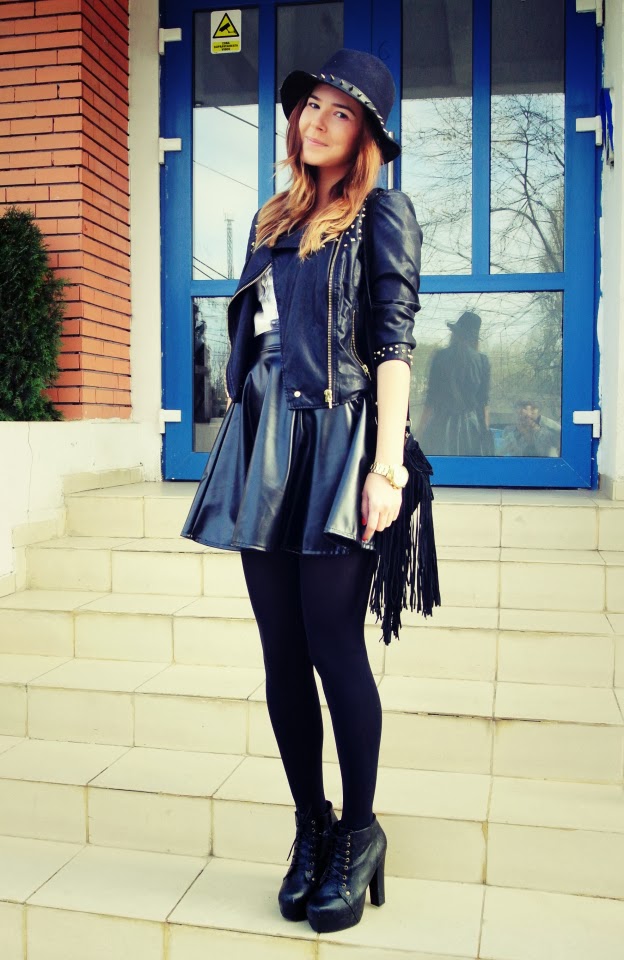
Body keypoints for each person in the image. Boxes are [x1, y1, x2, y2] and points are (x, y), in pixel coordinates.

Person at [181, 49, 422, 934]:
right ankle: (311, 825)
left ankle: (360, 832)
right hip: (265, 442)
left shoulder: (381, 214)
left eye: (339, 113)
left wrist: (386, 469)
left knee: (333, 646)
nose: (316, 122)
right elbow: (256, 334)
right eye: (310, 106)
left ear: (365, 137)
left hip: (340, 438)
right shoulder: (273, 215)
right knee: (281, 652)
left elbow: (392, 347)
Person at [418, 311, 493, 456]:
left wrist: (420, 433)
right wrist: (484, 433)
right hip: (471, 429)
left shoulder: (440, 357)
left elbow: (431, 400)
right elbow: (483, 403)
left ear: (455, 333)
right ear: (474, 338)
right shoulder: (482, 361)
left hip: (440, 427)